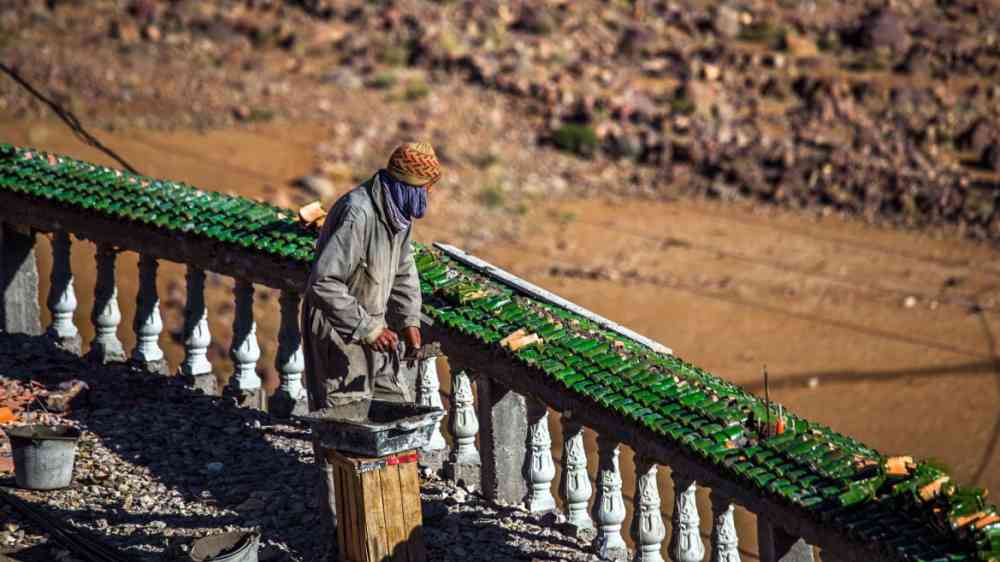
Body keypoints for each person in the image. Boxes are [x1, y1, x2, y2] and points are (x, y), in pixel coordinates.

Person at [301, 141, 441, 552]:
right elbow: (323, 284)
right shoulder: (358, 212)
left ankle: (388, 529)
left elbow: (403, 271)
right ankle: (343, 536)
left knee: (392, 412)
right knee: (341, 432)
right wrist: (365, 327)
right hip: (337, 332)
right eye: (427, 188)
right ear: (409, 185)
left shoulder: (398, 214)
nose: (429, 197)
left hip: (374, 328)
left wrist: (410, 321)